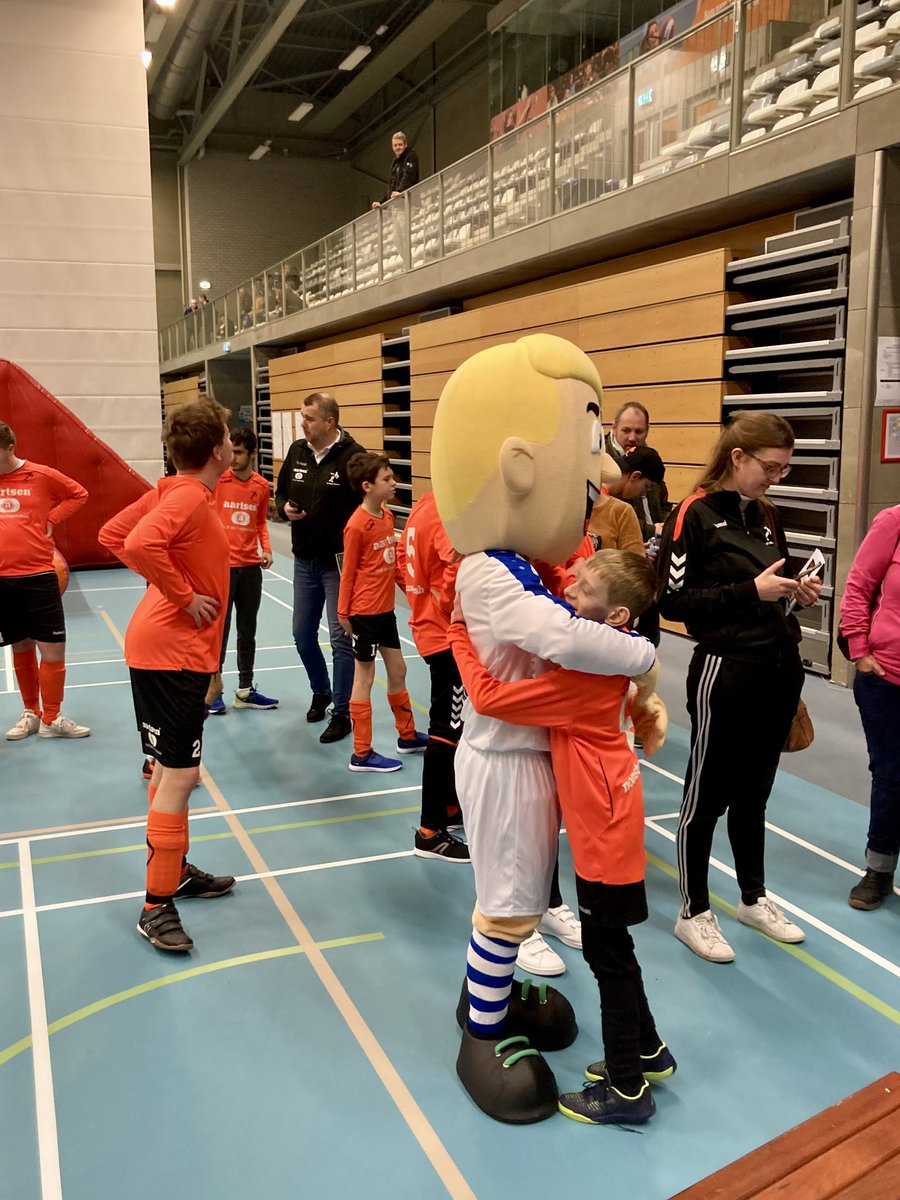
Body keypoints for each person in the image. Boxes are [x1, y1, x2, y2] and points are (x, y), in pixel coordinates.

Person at [430, 333, 658, 1123]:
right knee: (506, 903)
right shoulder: (490, 569)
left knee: (520, 897)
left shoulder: (521, 565)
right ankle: (483, 1031)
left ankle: (495, 1002)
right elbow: (561, 637)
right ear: (519, 467)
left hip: (530, 757)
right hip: (504, 761)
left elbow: (571, 603)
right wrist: (639, 650)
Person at [450, 549, 671, 1126]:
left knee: (607, 958)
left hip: (603, 840)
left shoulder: (583, 679)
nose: (571, 586)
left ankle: (626, 1088)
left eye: (587, 588)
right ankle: (649, 1052)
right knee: (615, 953)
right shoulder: (609, 667)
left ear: (616, 617)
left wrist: (458, 637)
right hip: (613, 826)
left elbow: (492, 698)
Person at [656, 410, 821, 963]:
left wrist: (797, 590)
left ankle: (753, 897)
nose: (777, 477)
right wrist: (752, 590)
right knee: (705, 796)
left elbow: (777, 579)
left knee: (754, 795)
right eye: (770, 467)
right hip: (725, 672)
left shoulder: (767, 514)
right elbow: (673, 604)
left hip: (778, 668)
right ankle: (693, 910)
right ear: (739, 458)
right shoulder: (692, 515)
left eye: (784, 469)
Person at [98, 399, 237, 953]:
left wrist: (166, 586)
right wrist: (180, 595)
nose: (232, 443)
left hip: (166, 648)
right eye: (227, 435)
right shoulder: (183, 495)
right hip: (171, 652)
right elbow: (133, 543)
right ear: (214, 449)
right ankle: (156, 906)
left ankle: (173, 870)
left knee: (171, 771)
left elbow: (111, 533)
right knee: (180, 777)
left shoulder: (173, 490)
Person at [275, 392, 365, 744]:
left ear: (330, 422)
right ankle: (321, 691)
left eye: (309, 418)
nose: (303, 423)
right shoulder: (298, 451)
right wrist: (284, 509)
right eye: (302, 416)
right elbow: (280, 493)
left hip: (338, 566)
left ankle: (342, 713)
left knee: (341, 640)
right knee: (301, 634)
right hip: (303, 561)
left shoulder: (354, 457)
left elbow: (369, 506)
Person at [337, 452, 427, 773]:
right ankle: (361, 753)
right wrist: (344, 613)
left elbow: (392, 566)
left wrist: (411, 592)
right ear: (367, 486)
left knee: (399, 669)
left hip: (385, 611)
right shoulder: (356, 525)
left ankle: (407, 735)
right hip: (363, 613)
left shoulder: (387, 517)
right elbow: (347, 573)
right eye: (387, 479)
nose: (393, 483)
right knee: (365, 677)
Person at [0, 421, 91, 741]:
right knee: (20, 646)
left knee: (52, 649)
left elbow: (79, 494)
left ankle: (52, 717)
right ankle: (31, 713)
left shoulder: (39, 475)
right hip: (3, 580)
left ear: (10, 448)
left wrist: (52, 518)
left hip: (39, 575)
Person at [397, 490, 469, 862]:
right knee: (447, 730)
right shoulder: (446, 512)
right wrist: (451, 608)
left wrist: (419, 600)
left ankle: (451, 806)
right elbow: (455, 572)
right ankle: (430, 831)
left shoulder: (422, 506)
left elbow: (399, 559)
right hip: (446, 635)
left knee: (454, 725)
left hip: (427, 628)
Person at [839, 504, 900, 910]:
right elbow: (858, 587)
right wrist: (860, 650)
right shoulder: (893, 521)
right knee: (892, 774)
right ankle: (879, 869)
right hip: (886, 677)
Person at [208, 427, 278, 715]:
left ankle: (245, 690)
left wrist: (267, 548)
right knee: (219, 632)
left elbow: (260, 522)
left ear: (252, 454)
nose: (233, 458)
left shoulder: (261, 486)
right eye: (231, 451)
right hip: (222, 569)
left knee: (247, 631)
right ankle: (214, 690)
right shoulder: (218, 481)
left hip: (250, 569)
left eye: (239, 452)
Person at [605, 404, 670, 541]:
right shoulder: (600, 460)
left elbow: (663, 502)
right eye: (626, 430)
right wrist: (651, 531)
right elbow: (608, 518)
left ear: (647, 430)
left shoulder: (650, 458)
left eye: (639, 431)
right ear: (614, 428)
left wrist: (666, 527)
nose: (632, 438)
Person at [371, 131, 419, 208]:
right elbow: (391, 187)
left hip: (409, 202)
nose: (397, 147)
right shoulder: (395, 163)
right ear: (392, 147)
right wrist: (381, 203)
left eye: (400, 145)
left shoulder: (411, 155)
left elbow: (409, 176)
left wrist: (400, 191)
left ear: (405, 145)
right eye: (395, 145)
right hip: (397, 204)